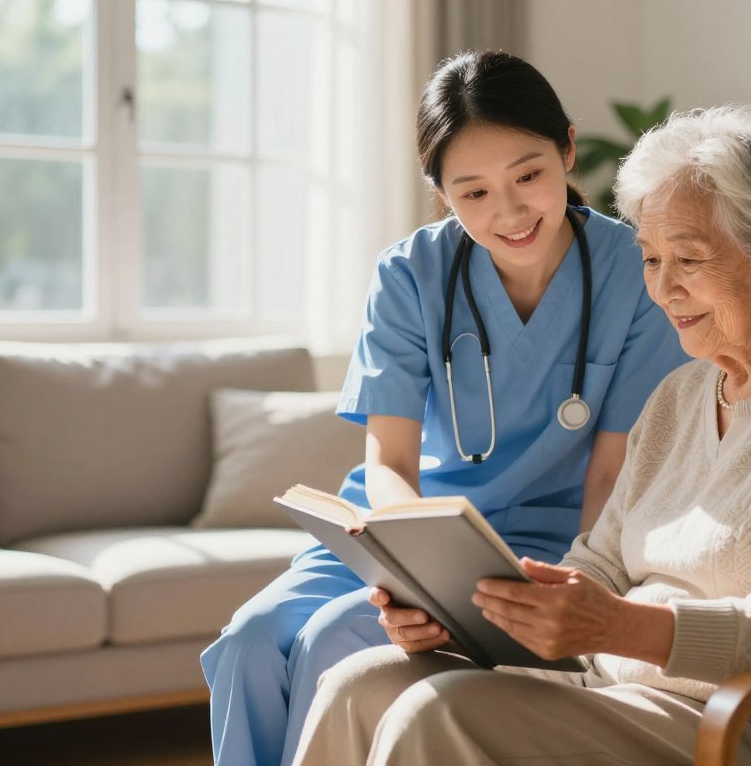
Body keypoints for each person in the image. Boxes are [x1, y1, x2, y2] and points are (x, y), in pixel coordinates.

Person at [294, 104, 751, 766]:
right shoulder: (681, 395)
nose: (663, 289)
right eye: (651, 258)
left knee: (437, 713)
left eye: (688, 259)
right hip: (625, 694)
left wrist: (622, 626)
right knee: (362, 683)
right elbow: (600, 564)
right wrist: (476, 616)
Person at [199, 50, 688, 766]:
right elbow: (389, 461)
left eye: (529, 175)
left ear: (569, 150)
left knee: (332, 639)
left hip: (549, 545)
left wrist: (580, 596)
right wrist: (409, 571)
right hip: (403, 523)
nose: (511, 211)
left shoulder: (633, 271)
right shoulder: (409, 274)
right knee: (248, 640)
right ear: (442, 195)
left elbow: (611, 476)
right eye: (474, 193)